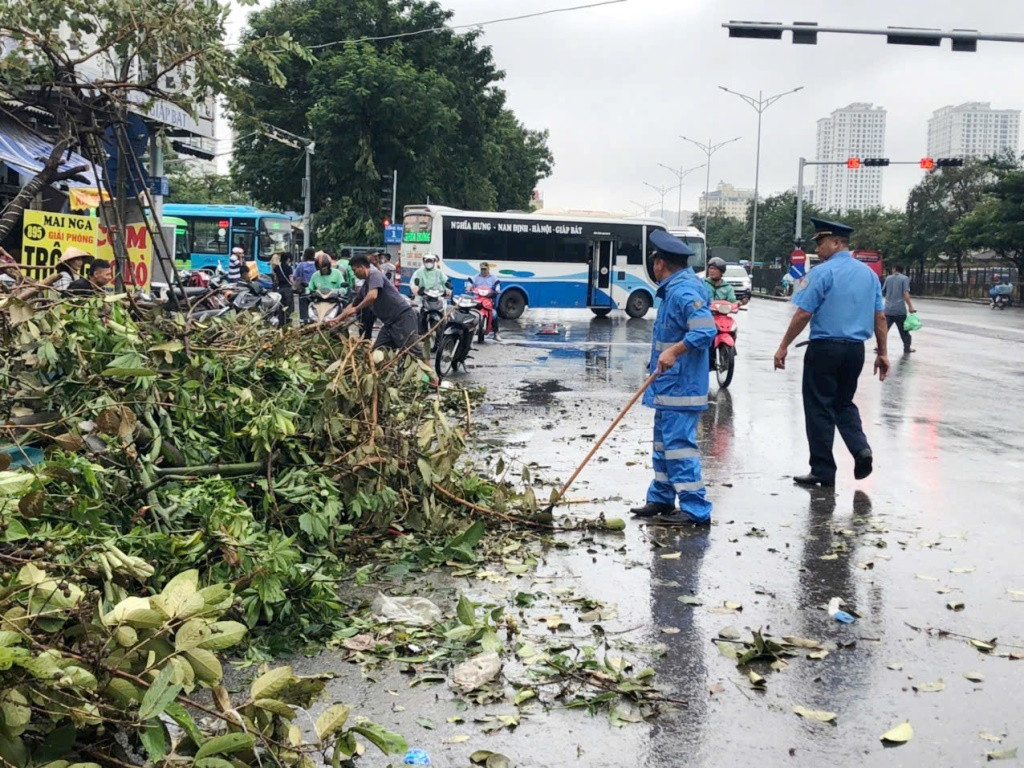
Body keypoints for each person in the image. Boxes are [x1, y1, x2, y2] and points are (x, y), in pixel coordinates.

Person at [773, 218, 889, 488]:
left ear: (837, 242)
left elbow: (803, 313)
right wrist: (882, 352)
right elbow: (880, 317)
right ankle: (861, 449)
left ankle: (823, 470)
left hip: (825, 349)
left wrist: (783, 346)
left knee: (818, 407)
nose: (819, 248)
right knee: (844, 402)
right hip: (855, 351)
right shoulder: (869, 275)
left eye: (822, 242)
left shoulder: (821, 273)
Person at [629, 230, 717, 525]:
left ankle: (695, 510)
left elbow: (705, 331)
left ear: (660, 264)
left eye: (654, 261)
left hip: (681, 386)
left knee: (679, 447)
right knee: (663, 445)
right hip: (667, 385)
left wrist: (675, 352)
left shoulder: (684, 292)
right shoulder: (674, 289)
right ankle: (661, 499)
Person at [337, 254, 418, 351]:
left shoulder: (375, 275)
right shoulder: (365, 286)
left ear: (362, 267)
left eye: (355, 270)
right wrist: (337, 319)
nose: (354, 274)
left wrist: (357, 309)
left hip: (403, 318)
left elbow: (372, 296)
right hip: (389, 324)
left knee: (413, 352)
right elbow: (352, 305)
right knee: (377, 352)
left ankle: (428, 367)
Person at [881, 265, 916, 354]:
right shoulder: (904, 279)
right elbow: (905, 293)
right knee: (904, 331)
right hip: (899, 310)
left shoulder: (888, 278)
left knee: (884, 329)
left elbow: (883, 291)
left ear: (894, 269)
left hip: (888, 309)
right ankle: (907, 347)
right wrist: (910, 306)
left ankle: (879, 346)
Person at [467, 262, 501, 341]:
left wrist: (497, 290)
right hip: (477, 299)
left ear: (488, 269)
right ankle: (469, 334)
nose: (483, 271)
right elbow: (470, 282)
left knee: (494, 314)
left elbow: (497, 284)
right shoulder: (476, 276)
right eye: (482, 269)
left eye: (485, 269)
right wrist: (469, 287)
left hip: (488, 299)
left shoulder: (493, 277)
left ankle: (496, 334)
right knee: (470, 313)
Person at [294, 247, 318, 322]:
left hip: (303, 290)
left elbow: (295, 277)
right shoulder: (317, 265)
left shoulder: (301, 265)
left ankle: (305, 322)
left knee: (304, 309)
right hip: (315, 290)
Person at [272, 252, 294, 323]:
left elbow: (276, 279)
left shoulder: (277, 267)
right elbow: (291, 279)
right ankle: (287, 321)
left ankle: (280, 321)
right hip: (288, 289)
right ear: (287, 259)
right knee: (288, 307)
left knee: (280, 306)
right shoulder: (289, 268)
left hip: (280, 289)